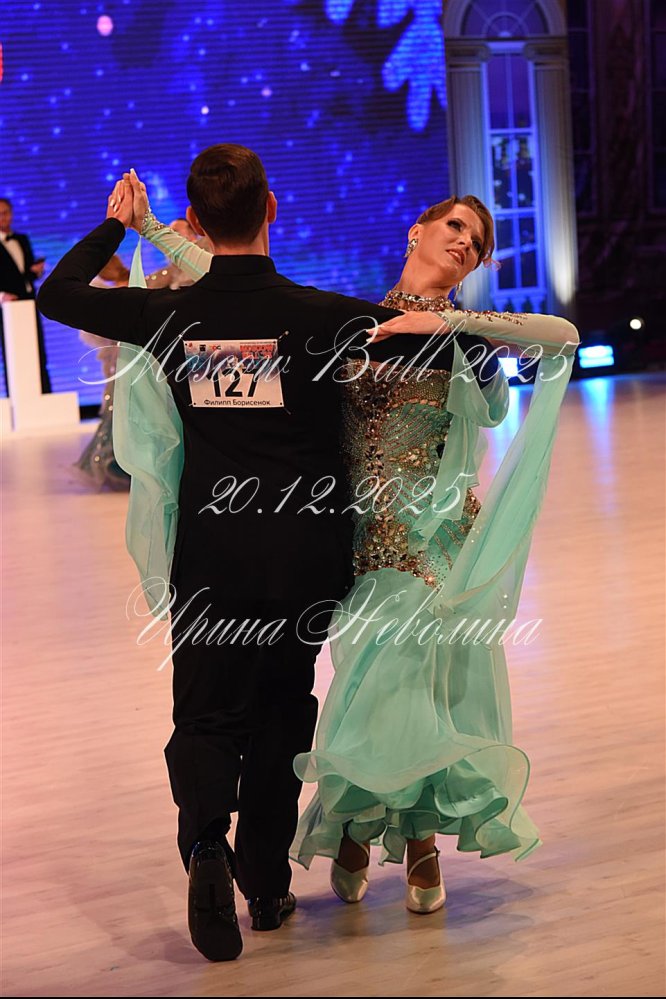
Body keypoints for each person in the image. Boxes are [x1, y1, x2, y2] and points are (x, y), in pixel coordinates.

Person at [37, 144, 497, 961]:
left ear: (199, 219)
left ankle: (206, 846)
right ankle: (265, 884)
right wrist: (469, 325)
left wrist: (118, 228)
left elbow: (58, 292)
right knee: (283, 709)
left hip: (212, 555)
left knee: (206, 714)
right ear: (273, 209)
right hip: (302, 559)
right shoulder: (320, 316)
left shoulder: (172, 316)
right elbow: (436, 345)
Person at [137, 191, 579, 914]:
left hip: (432, 544)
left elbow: (561, 333)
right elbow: (233, 282)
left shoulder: (463, 337)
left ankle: (409, 838)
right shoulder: (346, 320)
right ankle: (362, 826)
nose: (465, 242)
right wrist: (154, 229)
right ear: (417, 230)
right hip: (349, 541)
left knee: (410, 689)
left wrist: (450, 322)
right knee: (370, 689)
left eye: (478, 241)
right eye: (455, 225)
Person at [75, 255, 131, 490]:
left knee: (117, 409)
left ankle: (117, 464)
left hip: (124, 358)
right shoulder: (134, 286)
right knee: (120, 410)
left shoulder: (112, 294)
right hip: (128, 357)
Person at [0, 196, 51, 393]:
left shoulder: (22, 239)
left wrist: (36, 271)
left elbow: (24, 274)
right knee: (13, 352)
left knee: (37, 350)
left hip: (29, 302)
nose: (3, 217)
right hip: (7, 308)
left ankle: (45, 393)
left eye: (6, 213)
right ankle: (16, 396)